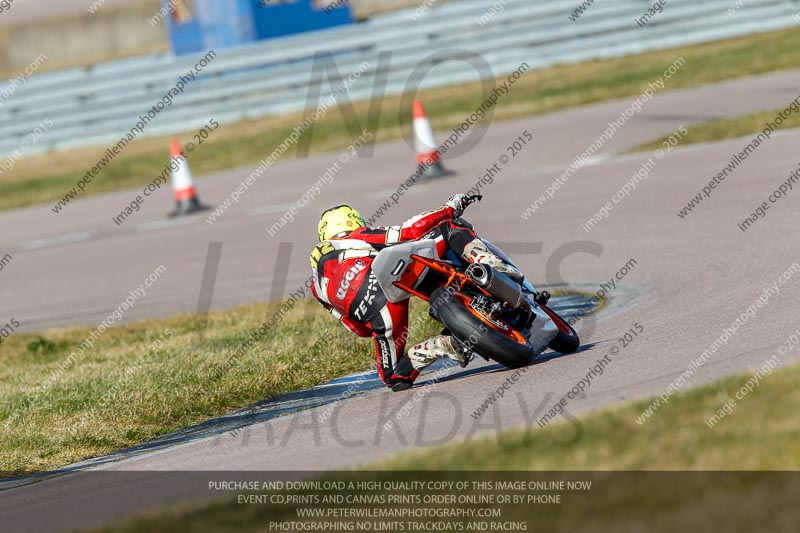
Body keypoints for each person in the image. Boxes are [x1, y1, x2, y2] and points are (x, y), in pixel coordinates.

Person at [309, 193, 524, 391]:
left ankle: (445, 344)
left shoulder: (316, 287)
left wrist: (374, 317)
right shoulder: (353, 237)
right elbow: (407, 231)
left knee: (394, 377)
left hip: (378, 316)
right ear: (354, 222)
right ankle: (490, 265)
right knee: (450, 227)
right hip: (385, 281)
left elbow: (358, 329)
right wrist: (450, 207)